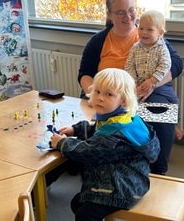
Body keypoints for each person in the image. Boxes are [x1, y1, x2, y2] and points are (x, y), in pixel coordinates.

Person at [77, 0, 183, 175]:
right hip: (108, 93)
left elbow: (176, 64)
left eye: (131, 10)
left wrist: (151, 83)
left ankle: (157, 171)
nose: (128, 16)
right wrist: (95, 92)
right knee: (89, 113)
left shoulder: (150, 34)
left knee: (159, 110)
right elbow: (85, 73)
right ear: (109, 15)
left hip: (146, 90)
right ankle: (88, 161)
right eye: (120, 12)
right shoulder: (98, 41)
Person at [50, 68, 160, 221]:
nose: (100, 98)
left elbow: (89, 152)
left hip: (122, 189)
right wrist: (76, 129)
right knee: (78, 203)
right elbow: (97, 130)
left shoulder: (115, 133)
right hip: (129, 179)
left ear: (123, 100)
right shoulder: (121, 118)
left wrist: (62, 143)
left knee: (84, 215)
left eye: (109, 94)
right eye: (97, 92)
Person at [124, 10, 183, 141]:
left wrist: (152, 81)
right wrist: (134, 82)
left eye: (149, 30)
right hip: (138, 84)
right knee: (131, 104)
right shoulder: (135, 48)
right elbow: (129, 65)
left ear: (160, 33)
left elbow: (165, 65)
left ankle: (174, 125)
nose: (144, 32)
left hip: (159, 85)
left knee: (174, 102)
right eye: (141, 28)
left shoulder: (162, 48)